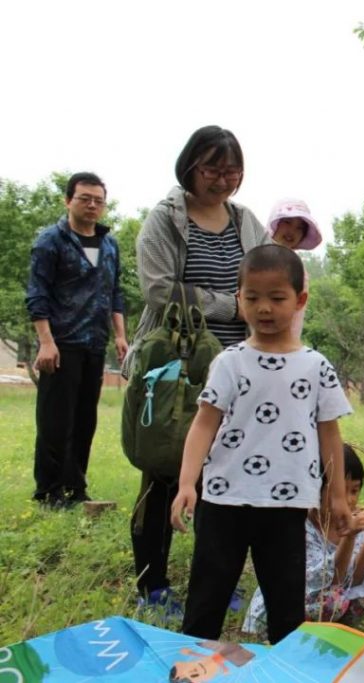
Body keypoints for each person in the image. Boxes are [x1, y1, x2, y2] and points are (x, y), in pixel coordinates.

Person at [170, 244, 353, 644]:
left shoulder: (316, 366)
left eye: (277, 298)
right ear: (239, 299)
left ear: (300, 300)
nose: (264, 308)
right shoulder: (229, 362)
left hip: (287, 505)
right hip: (224, 499)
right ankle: (193, 665)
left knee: (286, 606)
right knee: (206, 599)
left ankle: (285, 666)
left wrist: (337, 496)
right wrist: (187, 483)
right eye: (252, 298)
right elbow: (204, 424)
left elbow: (330, 434)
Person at [127, 125, 271, 614]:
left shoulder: (246, 221)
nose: (224, 180)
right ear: (190, 167)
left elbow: (267, 275)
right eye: (213, 169)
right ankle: (152, 585)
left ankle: (215, 580)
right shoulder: (165, 220)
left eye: (233, 171)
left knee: (223, 478)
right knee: (164, 471)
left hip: (236, 368)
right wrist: (231, 305)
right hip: (176, 371)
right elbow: (158, 290)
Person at [25, 172, 128, 508]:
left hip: (95, 343)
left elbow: (115, 293)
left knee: (85, 420)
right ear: (68, 200)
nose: (92, 205)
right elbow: (37, 294)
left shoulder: (109, 244)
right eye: (85, 198)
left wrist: (120, 335)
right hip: (61, 343)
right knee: (55, 420)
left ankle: (75, 488)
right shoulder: (50, 241)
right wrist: (46, 341)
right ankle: (48, 492)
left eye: (98, 200)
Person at [243, 443, 364, 636]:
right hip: (281, 611)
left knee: (362, 600)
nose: (349, 500)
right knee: (333, 600)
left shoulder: (355, 522)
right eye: (339, 492)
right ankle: (292, 636)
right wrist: (349, 536)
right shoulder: (301, 527)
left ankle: (332, 635)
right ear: (315, 489)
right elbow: (333, 578)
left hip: (325, 603)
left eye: (354, 491)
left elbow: (355, 579)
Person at [265, 198, 323, 338]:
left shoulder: (298, 270)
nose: (292, 231)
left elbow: (296, 316)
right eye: (287, 222)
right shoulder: (249, 252)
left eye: (299, 228)